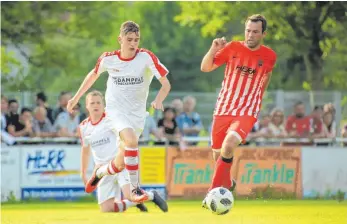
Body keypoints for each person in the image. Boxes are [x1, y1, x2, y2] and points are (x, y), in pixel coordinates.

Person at [67, 21, 171, 203]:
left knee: (121, 162)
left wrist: (159, 99)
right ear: (120, 39)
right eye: (129, 39)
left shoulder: (146, 57)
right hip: (115, 111)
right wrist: (75, 98)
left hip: (137, 115)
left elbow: (166, 84)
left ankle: (100, 171)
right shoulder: (108, 59)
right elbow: (92, 75)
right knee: (131, 140)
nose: (133, 44)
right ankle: (135, 188)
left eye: (136, 40)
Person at [200, 14, 277, 206]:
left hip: (247, 111)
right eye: (248, 31)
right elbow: (205, 67)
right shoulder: (232, 48)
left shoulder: (270, 56)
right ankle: (227, 182)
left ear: (263, 34)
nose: (250, 35)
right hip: (223, 109)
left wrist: (256, 99)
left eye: (255, 32)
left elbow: (266, 77)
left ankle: (212, 193)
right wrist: (213, 49)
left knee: (229, 145)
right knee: (218, 155)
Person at [79, 91, 168, 212]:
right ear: (87, 106)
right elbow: (85, 151)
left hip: (120, 164)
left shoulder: (112, 119)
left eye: (98, 102)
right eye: (92, 103)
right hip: (102, 171)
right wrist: (83, 173)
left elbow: (126, 138)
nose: (95, 105)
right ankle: (134, 204)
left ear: (103, 104)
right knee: (107, 209)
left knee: (129, 194)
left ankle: (152, 195)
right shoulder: (83, 127)